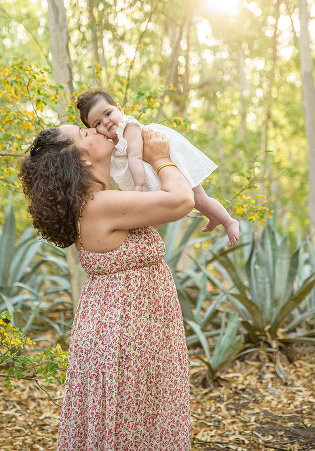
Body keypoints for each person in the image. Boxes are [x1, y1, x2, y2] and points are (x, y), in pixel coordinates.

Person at [19, 125, 193, 449]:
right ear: (82, 160)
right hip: (125, 338)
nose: (95, 130)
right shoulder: (99, 204)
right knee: (132, 430)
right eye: (85, 135)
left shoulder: (100, 200)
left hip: (131, 331)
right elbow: (182, 200)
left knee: (136, 427)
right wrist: (162, 159)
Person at [76, 89, 240, 246]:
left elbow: (135, 157)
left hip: (171, 162)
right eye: (98, 123)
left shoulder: (129, 127)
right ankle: (214, 217)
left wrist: (138, 187)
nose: (106, 121)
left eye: (108, 113)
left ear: (119, 108)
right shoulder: (112, 144)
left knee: (199, 198)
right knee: (188, 203)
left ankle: (229, 221)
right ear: (94, 131)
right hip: (153, 170)